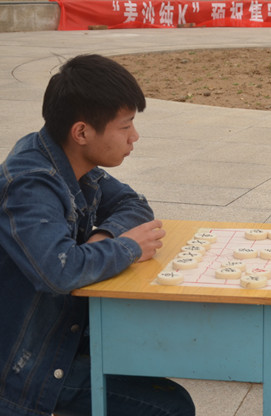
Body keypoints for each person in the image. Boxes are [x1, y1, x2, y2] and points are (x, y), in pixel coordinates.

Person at [0, 54, 195, 416]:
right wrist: (128, 247)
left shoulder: (70, 160)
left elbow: (133, 204)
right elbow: (59, 271)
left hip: (62, 334)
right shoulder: (30, 185)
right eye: (125, 126)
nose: (134, 137)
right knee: (171, 407)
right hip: (26, 366)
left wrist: (103, 237)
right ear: (82, 132)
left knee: (162, 351)